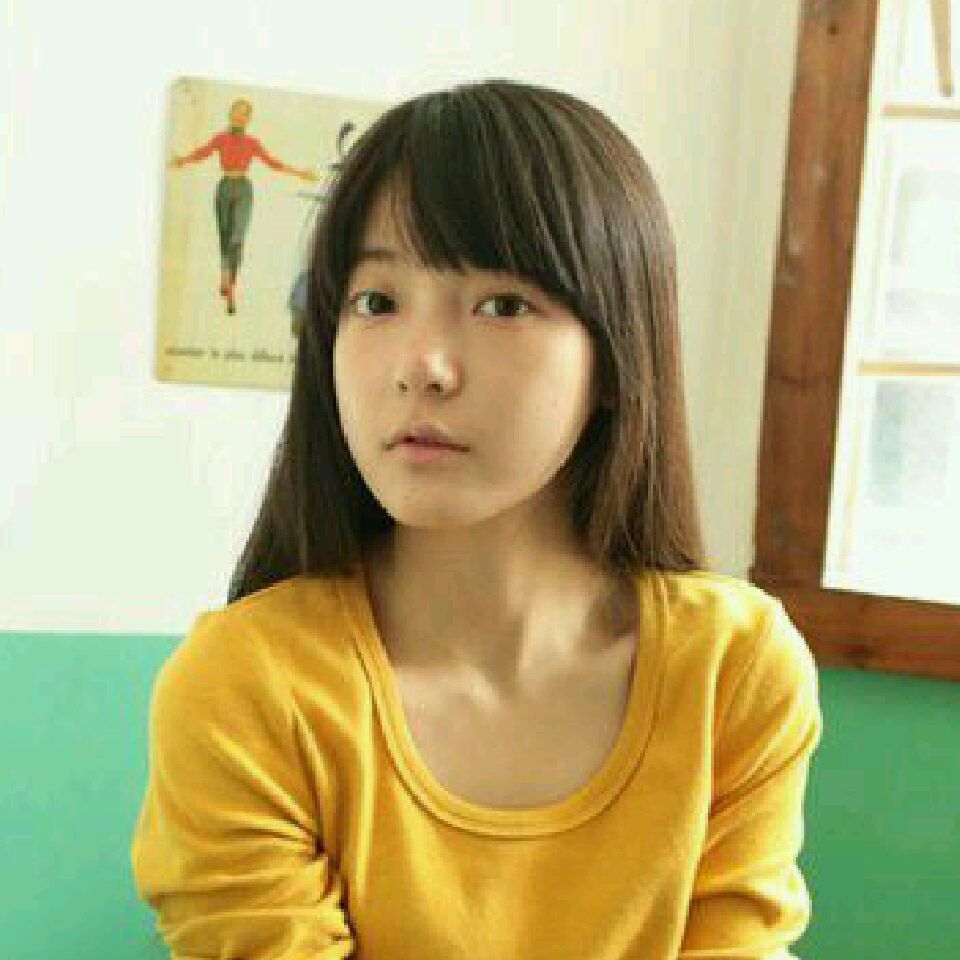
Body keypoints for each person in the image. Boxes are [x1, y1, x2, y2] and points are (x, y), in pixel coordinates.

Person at [131, 78, 823, 959]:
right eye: (376, 301)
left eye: (503, 304)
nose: (420, 366)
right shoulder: (244, 689)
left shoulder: (734, 669)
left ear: (617, 358)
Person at [169, 97, 319, 314]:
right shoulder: (220, 138)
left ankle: (230, 287)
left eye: (243, 114)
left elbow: (272, 162)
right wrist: (182, 160)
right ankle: (225, 275)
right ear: (230, 114)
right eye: (236, 112)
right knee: (225, 236)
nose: (239, 117)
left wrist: (300, 173)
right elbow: (202, 152)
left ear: (248, 119)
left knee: (237, 238)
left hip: (243, 190)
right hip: (224, 188)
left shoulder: (251, 143)